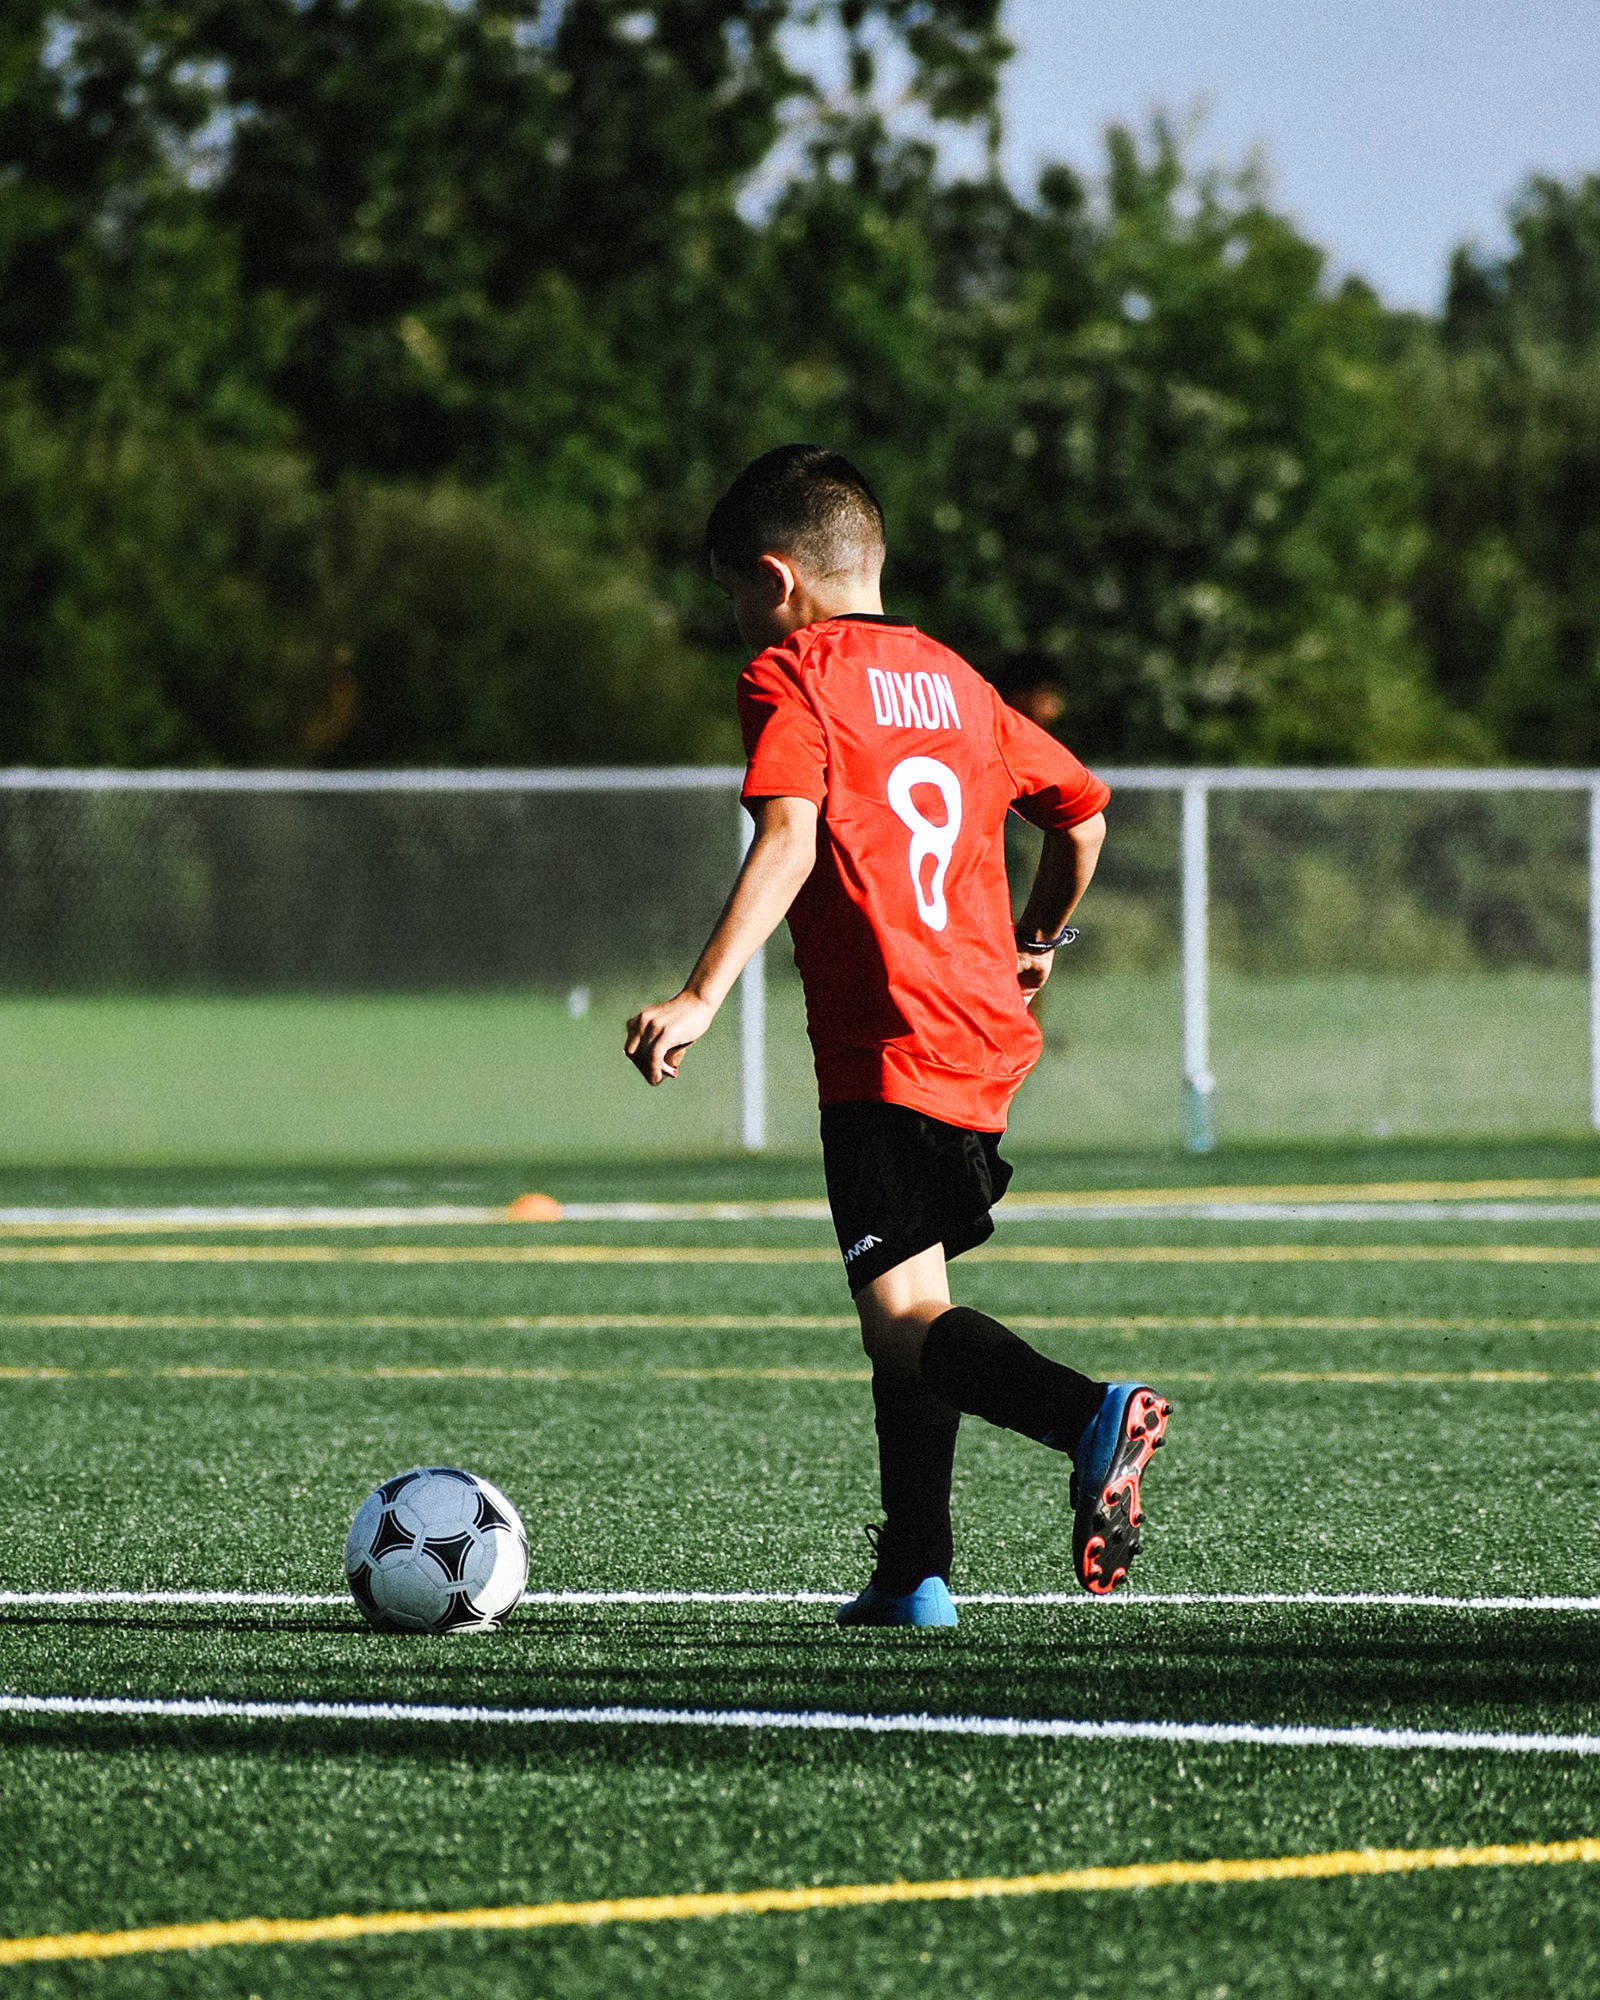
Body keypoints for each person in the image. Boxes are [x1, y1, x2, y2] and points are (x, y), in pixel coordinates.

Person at [626, 444, 1170, 1627]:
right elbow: (1082, 816)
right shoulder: (959, 682)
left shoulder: (791, 672)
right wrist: (1039, 940)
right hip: (979, 1030)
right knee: (912, 1302)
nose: (735, 623)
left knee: (904, 1318)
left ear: (776, 579)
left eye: (733, 594)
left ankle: (1087, 1413)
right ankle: (914, 1571)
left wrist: (701, 994)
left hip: (884, 1036)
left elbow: (788, 836)